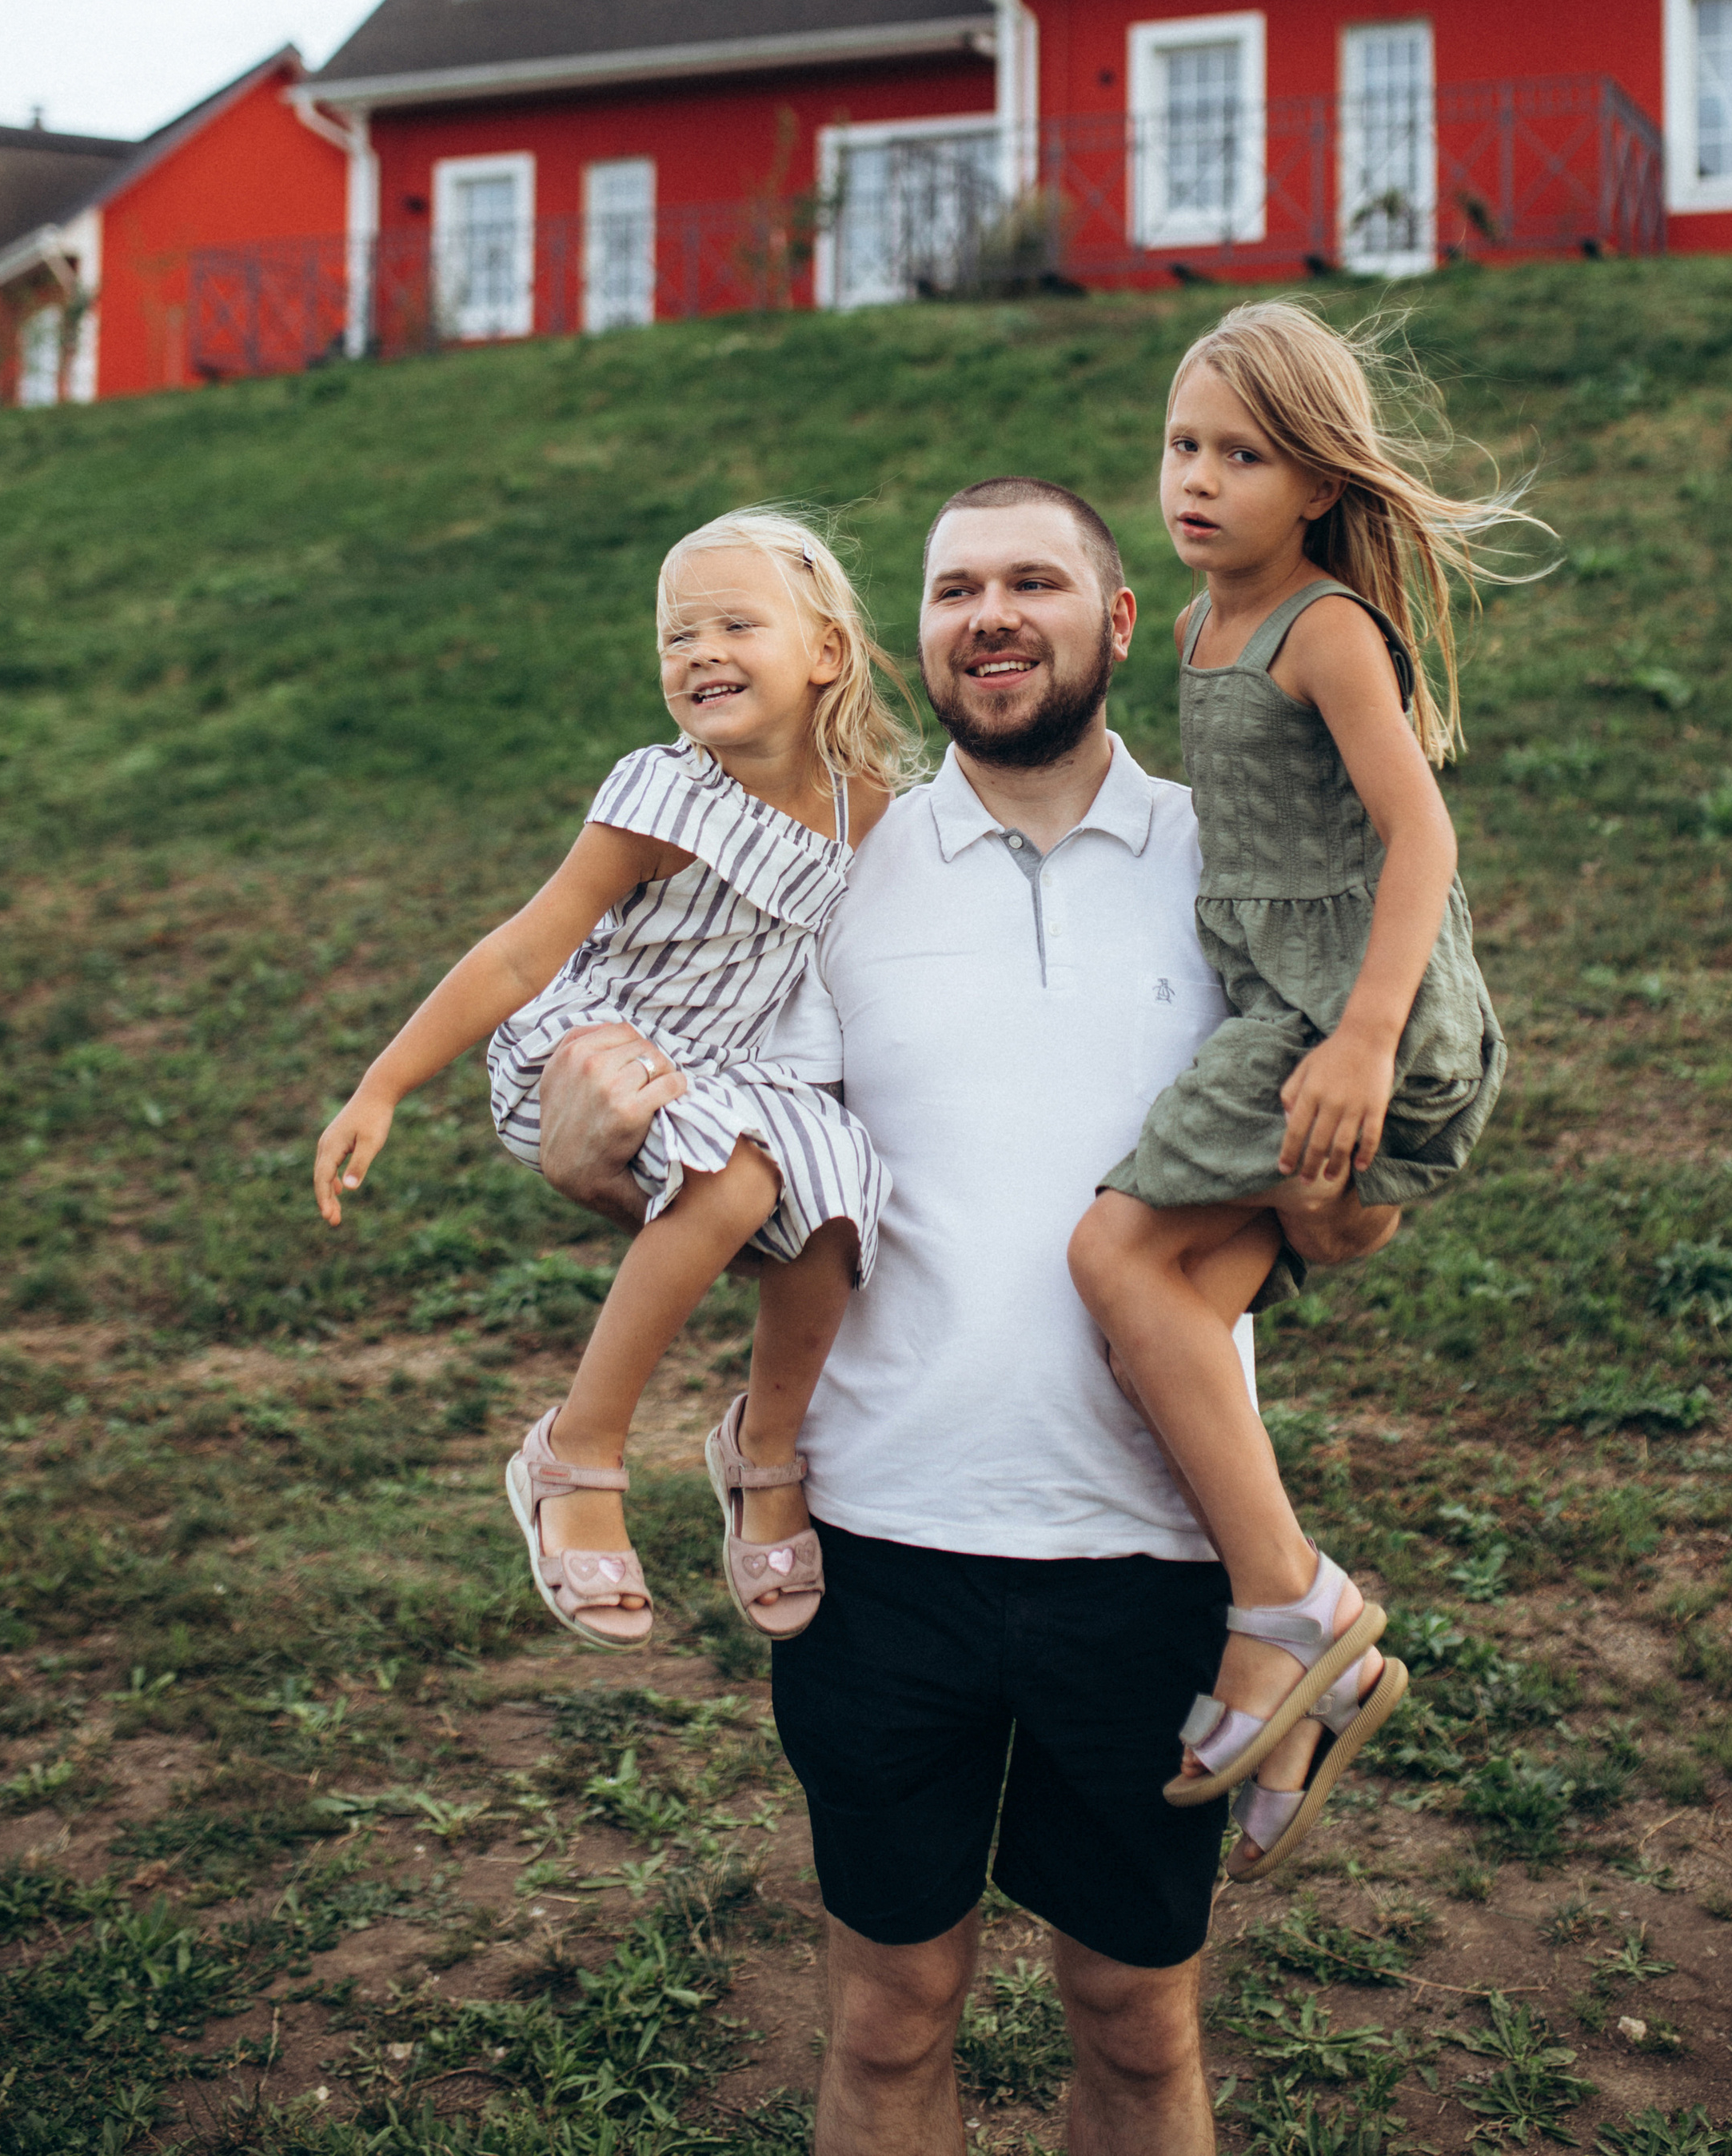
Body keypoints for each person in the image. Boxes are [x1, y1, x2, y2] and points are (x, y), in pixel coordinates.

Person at [534, 476, 1399, 2156]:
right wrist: (588, 1153)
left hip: (1150, 1562)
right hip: (875, 1556)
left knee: (1138, 2033)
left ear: (1118, 620)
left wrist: (1341, 1172)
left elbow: (1349, 1226)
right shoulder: (832, 873)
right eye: (952, 591)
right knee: (883, 2022)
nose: (989, 617)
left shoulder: (1236, 868)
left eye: (1032, 582)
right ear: (911, 636)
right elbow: (723, 1162)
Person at [1070, 300, 1534, 1883]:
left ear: (1317, 481)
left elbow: (1421, 837)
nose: (1195, 478)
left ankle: (1289, 1600)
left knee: (1110, 1258)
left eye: (1240, 454)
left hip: (1351, 1020)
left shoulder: (1321, 628)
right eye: (1181, 445)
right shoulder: (1200, 629)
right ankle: (1300, 1681)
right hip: (1281, 1006)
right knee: (1175, 1298)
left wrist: (1359, 1038)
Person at [310, 509, 917, 1649]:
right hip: (592, 1048)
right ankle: (575, 1453)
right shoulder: (662, 797)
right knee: (737, 1179)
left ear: (826, 652)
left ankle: (765, 1448)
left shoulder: (867, 813)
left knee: (845, 1186)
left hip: (733, 1073)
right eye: (677, 637)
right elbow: (521, 951)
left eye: (738, 624)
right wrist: (383, 1085)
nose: (701, 653)